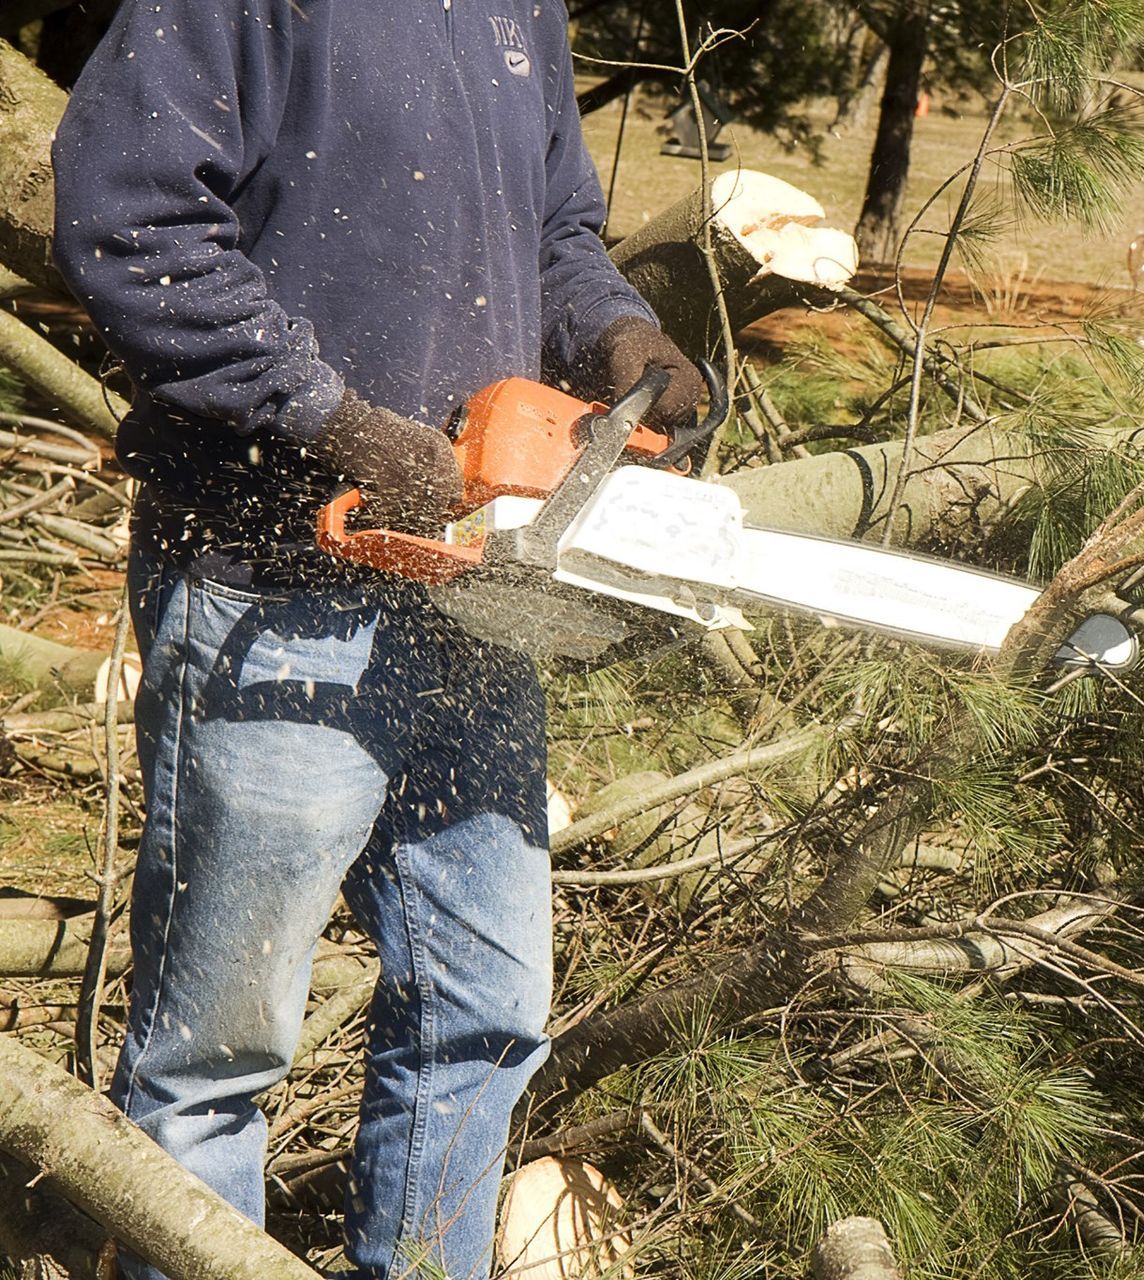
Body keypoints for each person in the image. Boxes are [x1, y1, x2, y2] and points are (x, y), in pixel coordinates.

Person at [50, 4, 699, 1277]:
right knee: (216, 1051)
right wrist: (334, 423)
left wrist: (622, 331)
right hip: (270, 576)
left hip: (470, 590)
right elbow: (134, 228)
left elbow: (556, 233)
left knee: (483, 1013)